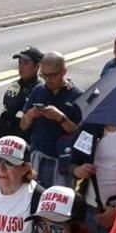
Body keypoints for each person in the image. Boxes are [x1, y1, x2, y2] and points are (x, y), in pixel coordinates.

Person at [19, 52, 83, 188]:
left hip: (61, 162)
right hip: (36, 157)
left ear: (64, 71)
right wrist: (30, 115)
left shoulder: (77, 95)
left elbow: (80, 134)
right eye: (44, 75)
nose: (48, 79)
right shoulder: (38, 90)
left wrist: (61, 118)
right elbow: (23, 126)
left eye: (53, 75)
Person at [0, 47, 43, 152]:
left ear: (37, 66)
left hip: (24, 144)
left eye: (26, 63)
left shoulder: (40, 90)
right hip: (7, 142)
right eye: (20, 62)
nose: (21, 67)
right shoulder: (15, 86)